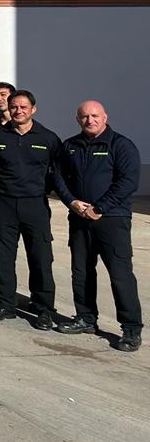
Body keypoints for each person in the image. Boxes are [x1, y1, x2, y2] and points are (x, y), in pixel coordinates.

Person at [54, 100, 143, 352]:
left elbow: (127, 182)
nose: (89, 120)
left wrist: (99, 207)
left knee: (120, 274)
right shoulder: (70, 146)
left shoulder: (121, 145)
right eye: (84, 116)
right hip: (79, 219)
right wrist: (71, 202)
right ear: (77, 119)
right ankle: (85, 318)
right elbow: (57, 176)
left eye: (94, 115)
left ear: (105, 116)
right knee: (81, 271)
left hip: (112, 220)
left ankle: (131, 328)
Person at [0, 90, 61, 329]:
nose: (18, 111)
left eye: (23, 107)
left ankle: (43, 307)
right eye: (14, 107)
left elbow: (56, 173)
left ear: (33, 109)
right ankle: (5, 304)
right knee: (3, 257)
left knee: (41, 258)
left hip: (34, 204)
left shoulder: (48, 138)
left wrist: (40, 191)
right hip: (3, 204)